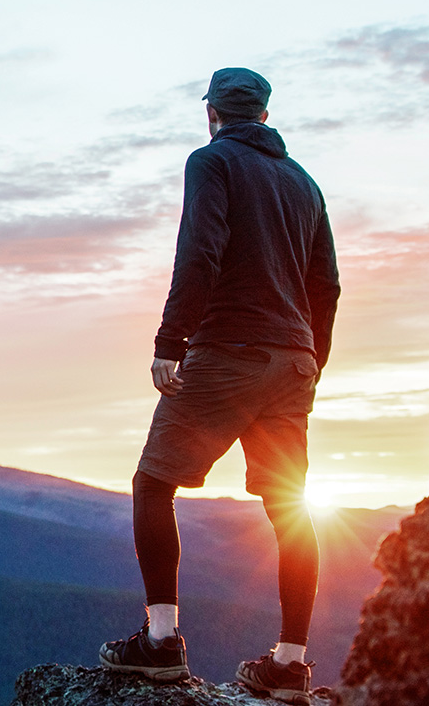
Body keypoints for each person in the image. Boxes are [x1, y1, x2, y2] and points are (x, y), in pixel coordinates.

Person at [97, 67, 340, 705]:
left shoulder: (212, 162)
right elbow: (328, 286)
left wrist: (169, 344)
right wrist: (313, 359)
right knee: (290, 506)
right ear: (263, 114)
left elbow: (199, 252)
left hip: (228, 347)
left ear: (213, 113)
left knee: (154, 483)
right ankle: (289, 664)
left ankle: (160, 643)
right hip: (292, 362)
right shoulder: (305, 183)